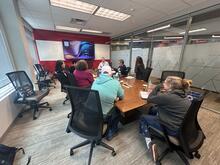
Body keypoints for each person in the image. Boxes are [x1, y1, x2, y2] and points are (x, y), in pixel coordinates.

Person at [139, 76, 191, 162]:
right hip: (182, 126)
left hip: (172, 128)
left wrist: (157, 87)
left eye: (164, 83)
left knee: (142, 117)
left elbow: (150, 98)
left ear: (170, 85)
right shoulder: (184, 93)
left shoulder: (167, 97)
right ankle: (151, 128)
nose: (163, 83)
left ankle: (149, 145)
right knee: (152, 109)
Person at [91, 65, 124, 141]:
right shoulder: (115, 82)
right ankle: (112, 131)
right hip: (103, 115)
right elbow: (122, 96)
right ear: (111, 74)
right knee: (119, 111)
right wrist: (116, 98)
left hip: (91, 111)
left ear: (101, 73)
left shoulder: (95, 81)